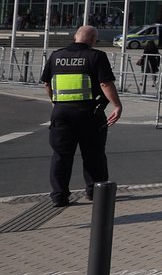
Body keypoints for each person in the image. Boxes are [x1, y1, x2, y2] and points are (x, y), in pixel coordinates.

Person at [40, 25, 121, 207]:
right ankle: (95, 192)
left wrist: (55, 102)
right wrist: (117, 105)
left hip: (61, 113)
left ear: (76, 37)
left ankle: (59, 196)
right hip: (89, 113)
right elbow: (105, 84)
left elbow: (46, 83)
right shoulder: (96, 56)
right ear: (92, 39)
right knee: (93, 155)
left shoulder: (56, 56)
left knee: (61, 155)